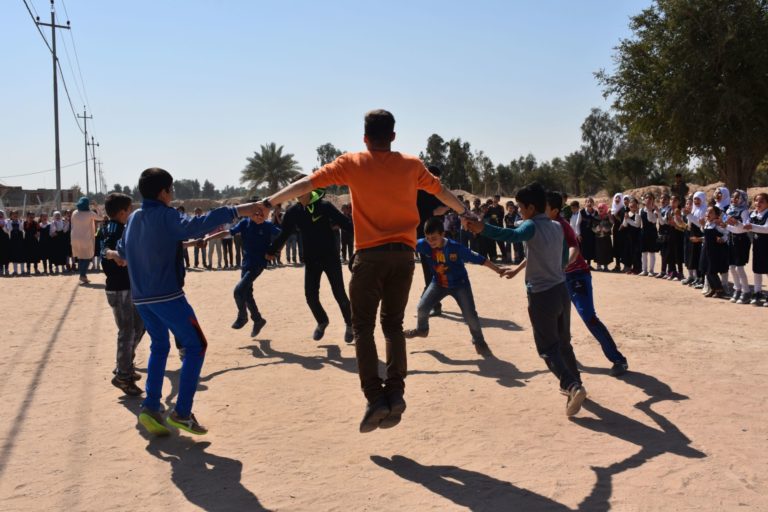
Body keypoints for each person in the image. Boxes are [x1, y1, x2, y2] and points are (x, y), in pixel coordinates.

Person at [255, 109, 467, 433]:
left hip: (369, 258)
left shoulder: (351, 163)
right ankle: (395, 392)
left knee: (363, 327)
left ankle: (375, 398)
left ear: (365, 138)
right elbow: (441, 192)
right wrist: (465, 212)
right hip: (404, 257)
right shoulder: (412, 165)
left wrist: (269, 202)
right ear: (393, 136)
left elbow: (305, 183)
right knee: (393, 325)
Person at [118, 167, 261, 437]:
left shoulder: (135, 218)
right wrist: (239, 209)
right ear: (163, 192)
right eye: (171, 190)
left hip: (141, 298)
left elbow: (123, 250)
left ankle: (151, 407)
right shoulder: (166, 215)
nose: (172, 194)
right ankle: (182, 413)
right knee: (196, 346)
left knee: (159, 346)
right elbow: (196, 225)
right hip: (167, 296)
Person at [464, 182, 587, 417]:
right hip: (561, 290)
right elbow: (561, 257)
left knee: (547, 348)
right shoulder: (556, 226)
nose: (519, 211)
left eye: (521, 207)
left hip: (542, 295)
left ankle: (572, 386)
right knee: (563, 343)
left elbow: (511, 235)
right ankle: (575, 382)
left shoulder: (531, 225)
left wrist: (482, 228)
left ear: (531, 208)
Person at [546, 191, 628, 376]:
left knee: (589, 318)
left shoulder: (562, 225)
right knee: (557, 318)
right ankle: (563, 355)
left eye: (544, 207)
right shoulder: (545, 225)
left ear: (554, 210)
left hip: (577, 277)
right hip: (560, 279)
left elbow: (574, 248)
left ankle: (618, 360)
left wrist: (564, 265)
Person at [267, 186, 354, 342]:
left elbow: (346, 224)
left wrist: (366, 239)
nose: (298, 193)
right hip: (311, 260)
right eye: (295, 190)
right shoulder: (293, 212)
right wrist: (271, 250)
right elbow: (284, 234)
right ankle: (322, 321)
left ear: (309, 189)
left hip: (330, 257)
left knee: (339, 293)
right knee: (310, 296)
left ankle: (350, 324)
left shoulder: (324, 206)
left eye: (300, 189)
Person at [404, 217, 502, 354]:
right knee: (422, 307)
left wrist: (498, 269)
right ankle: (422, 330)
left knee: (470, 315)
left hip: (460, 285)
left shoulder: (455, 247)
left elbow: (479, 259)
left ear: (442, 234)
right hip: (438, 283)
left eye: (434, 238)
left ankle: (479, 341)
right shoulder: (423, 244)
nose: (431, 241)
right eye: (428, 238)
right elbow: (404, 243)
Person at [206, 208, 279, 337]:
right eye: (257, 213)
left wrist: (274, 251)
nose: (260, 216)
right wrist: (208, 238)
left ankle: (243, 317)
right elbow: (228, 232)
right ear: (251, 213)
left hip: (258, 264)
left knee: (238, 291)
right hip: (246, 263)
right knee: (247, 294)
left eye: (262, 214)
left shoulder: (267, 225)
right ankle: (258, 320)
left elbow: (282, 235)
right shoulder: (245, 223)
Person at [101, 193, 145, 397]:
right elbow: (104, 248)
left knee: (140, 326)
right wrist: (113, 254)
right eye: (130, 209)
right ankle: (123, 376)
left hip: (130, 286)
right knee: (127, 331)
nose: (132, 212)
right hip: (119, 289)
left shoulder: (124, 227)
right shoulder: (113, 228)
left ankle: (124, 364)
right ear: (121, 213)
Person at [732, 192, 768, 306]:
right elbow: (745, 228)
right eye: (756, 201)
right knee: (757, 269)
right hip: (757, 245)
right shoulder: (753, 214)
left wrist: (752, 227)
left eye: (762, 201)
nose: (758, 203)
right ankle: (757, 292)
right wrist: (736, 223)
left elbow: (766, 229)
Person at [724, 190, 752, 304]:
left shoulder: (744, 211)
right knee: (731, 267)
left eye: (737, 198)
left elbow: (745, 227)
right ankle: (737, 289)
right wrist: (724, 224)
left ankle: (746, 291)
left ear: (742, 199)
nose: (734, 200)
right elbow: (726, 224)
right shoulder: (729, 209)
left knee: (739, 268)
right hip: (731, 239)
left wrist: (735, 223)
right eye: (733, 197)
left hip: (741, 241)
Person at [701, 206, 729, 298]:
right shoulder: (707, 223)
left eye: (711, 212)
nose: (708, 214)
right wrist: (702, 225)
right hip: (706, 249)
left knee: (712, 270)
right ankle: (713, 289)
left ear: (716, 215)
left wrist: (722, 239)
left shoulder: (718, 224)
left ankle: (720, 290)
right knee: (706, 269)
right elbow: (705, 233)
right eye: (707, 212)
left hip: (715, 250)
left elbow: (726, 233)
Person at [71, 197, 98, 284]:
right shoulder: (90, 213)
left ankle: (83, 275)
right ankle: (82, 275)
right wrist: (96, 207)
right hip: (85, 239)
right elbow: (101, 217)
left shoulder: (74, 213)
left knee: (81, 257)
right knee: (87, 257)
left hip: (75, 238)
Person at [639, 193, 659, 276]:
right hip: (644, 232)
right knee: (644, 252)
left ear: (653, 200)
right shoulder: (641, 210)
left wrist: (649, 210)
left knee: (651, 252)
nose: (648, 199)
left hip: (652, 232)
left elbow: (652, 220)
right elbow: (639, 222)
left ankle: (651, 270)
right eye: (646, 198)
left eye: (650, 198)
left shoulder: (655, 210)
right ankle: (644, 270)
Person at [622, 197, 642, 275]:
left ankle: (637, 268)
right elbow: (624, 225)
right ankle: (630, 267)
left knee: (636, 252)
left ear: (636, 205)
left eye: (633, 205)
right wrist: (625, 219)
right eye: (630, 205)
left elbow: (637, 225)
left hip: (636, 236)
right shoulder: (628, 213)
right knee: (629, 252)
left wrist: (628, 220)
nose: (632, 206)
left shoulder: (637, 214)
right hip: (629, 236)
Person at [577, 198, 598, 268]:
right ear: (585, 203)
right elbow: (577, 224)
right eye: (588, 202)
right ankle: (582, 265)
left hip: (592, 234)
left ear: (593, 204)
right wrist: (578, 234)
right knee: (583, 249)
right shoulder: (581, 212)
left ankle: (588, 265)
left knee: (590, 249)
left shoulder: (595, 212)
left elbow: (597, 223)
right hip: (583, 234)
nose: (589, 203)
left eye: (591, 202)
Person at [593, 203, 613, 271]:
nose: (600, 209)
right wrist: (596, 229)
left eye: (602, 208)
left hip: (606, 237)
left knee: (606, 251)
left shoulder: (608, 217)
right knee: (598, 251)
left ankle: (605, 266)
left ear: (605, 209)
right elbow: (592, 226)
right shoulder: (595, 217)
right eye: (599, 208)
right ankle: (598, 266)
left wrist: (607, 229)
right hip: (598, 237)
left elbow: (612, 224)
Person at [609, 193, 626, 272]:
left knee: (623, 247)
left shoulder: (623, 209)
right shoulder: (613, 208)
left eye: (619, 198)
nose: (617, 199)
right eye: (616, 198)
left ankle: (625, 266)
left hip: (622, 230)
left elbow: (623, 221)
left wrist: (615, 215)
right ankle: (617, 265)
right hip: (616, 230)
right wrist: (610, 215)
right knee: (616, 247)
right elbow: (613, 222)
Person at [6, 210, 25, 276]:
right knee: (14, 256)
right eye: (13, 214)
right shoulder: (9, 222)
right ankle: (15, 271)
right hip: (13, 241)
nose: (15, 215)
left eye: (16, 214)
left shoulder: (21, 221)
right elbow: (10, 229)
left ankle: (22, 271)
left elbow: (21, 229)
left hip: (20, 240)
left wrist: (20, 222)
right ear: (11, 216)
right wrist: (9, 222)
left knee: (21, 256)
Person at [0, 210, 9, 276]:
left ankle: (6, 269)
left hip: (5, 241)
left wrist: (3, 226)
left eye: (1, 214)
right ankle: (0, 269)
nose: (0, 215)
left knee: (6, 255)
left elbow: (8, 231)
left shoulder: (6, 221)